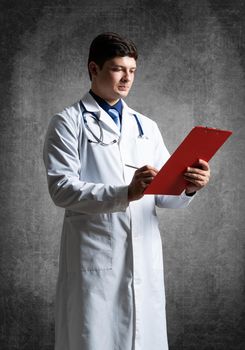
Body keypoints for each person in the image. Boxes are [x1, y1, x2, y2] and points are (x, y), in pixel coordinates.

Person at [43, 32, 210, 350]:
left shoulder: (146, 127)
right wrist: (125, 193)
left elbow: (164, 195)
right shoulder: (67, 123)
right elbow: (61, 189)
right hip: (96, 257)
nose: (126, 78)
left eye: (132, 70)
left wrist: (189, 186)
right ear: (94, 68)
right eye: (118, 69)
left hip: (143, 257)